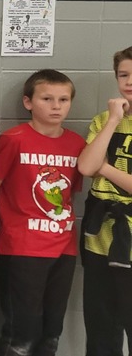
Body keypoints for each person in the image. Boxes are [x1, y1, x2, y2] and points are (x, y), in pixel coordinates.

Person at [0, 69, 84, 356]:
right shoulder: (13, 139)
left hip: (63, 246)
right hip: (20, 245)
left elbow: (70, 194)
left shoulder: (77, 144)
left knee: (51, 331)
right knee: (22, 332)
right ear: (28, 102)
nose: (56, 106)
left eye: (63, 99)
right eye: (47, 98)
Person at [77, 46, 132, 356]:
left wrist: (105, 168)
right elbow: (85, 167)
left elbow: (96, 165)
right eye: (123, 75)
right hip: (100, 240)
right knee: (100, 330)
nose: (129, 81)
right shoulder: (104, 120)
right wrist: (113, 120)